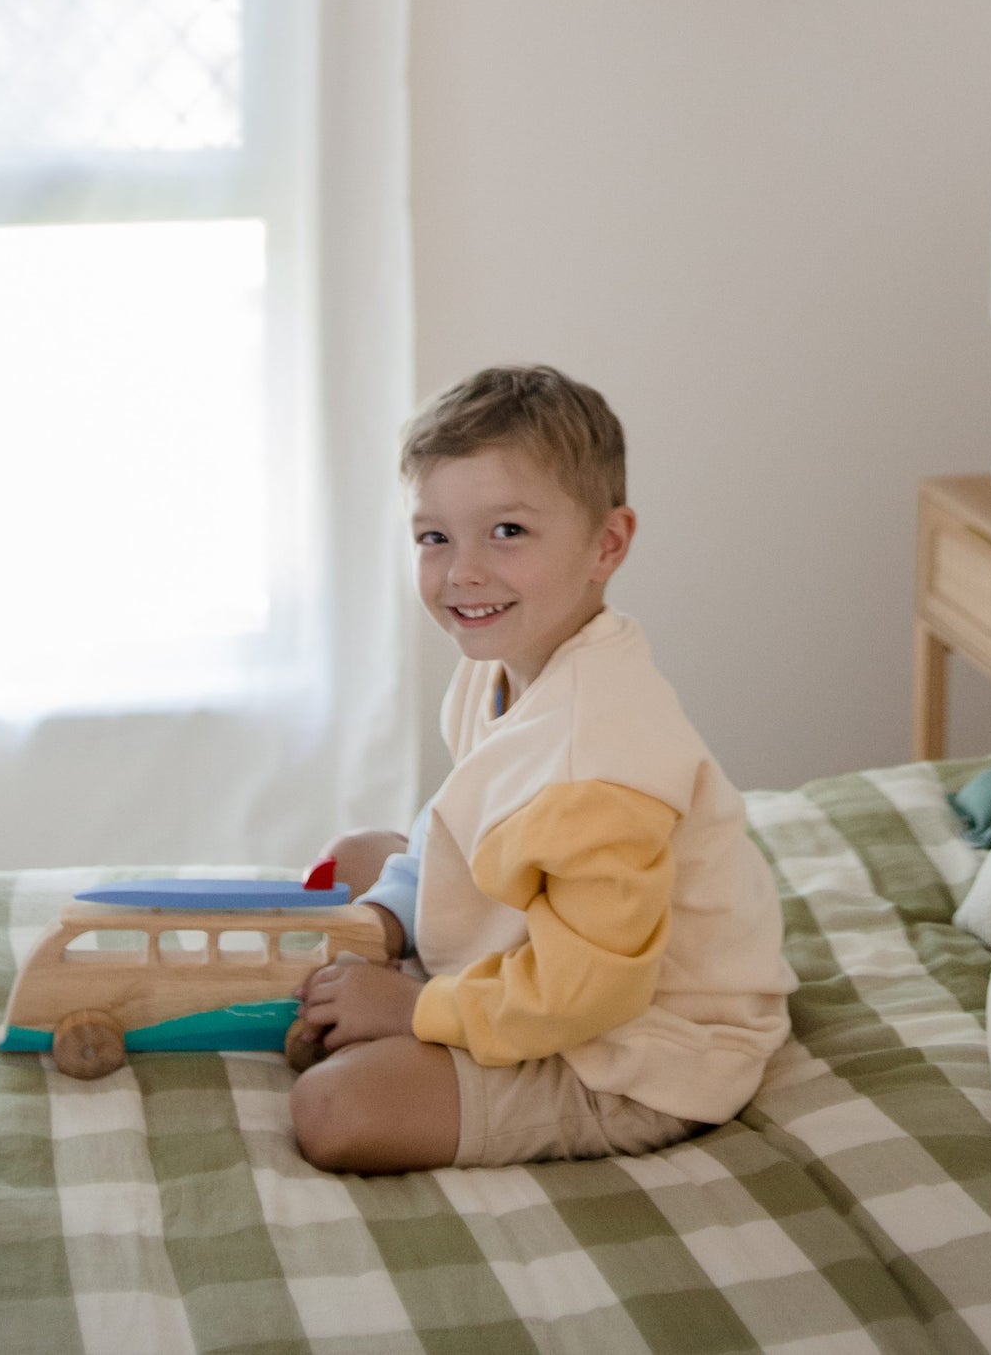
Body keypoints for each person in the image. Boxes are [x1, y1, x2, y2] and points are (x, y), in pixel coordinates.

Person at [289, 365, 796, 1173]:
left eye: (508, 532)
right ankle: (411, 982)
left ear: (607, 543)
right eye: (435, 537)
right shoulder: (500, 662)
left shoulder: (595, 761)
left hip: (635, 1041)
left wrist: (418, 1007)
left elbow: (593, 991)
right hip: (554, 957)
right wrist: (388, 913)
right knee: (364, 856)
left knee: (335, 1107)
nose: (463, 571)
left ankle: (424, 1014)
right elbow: (454, 820)